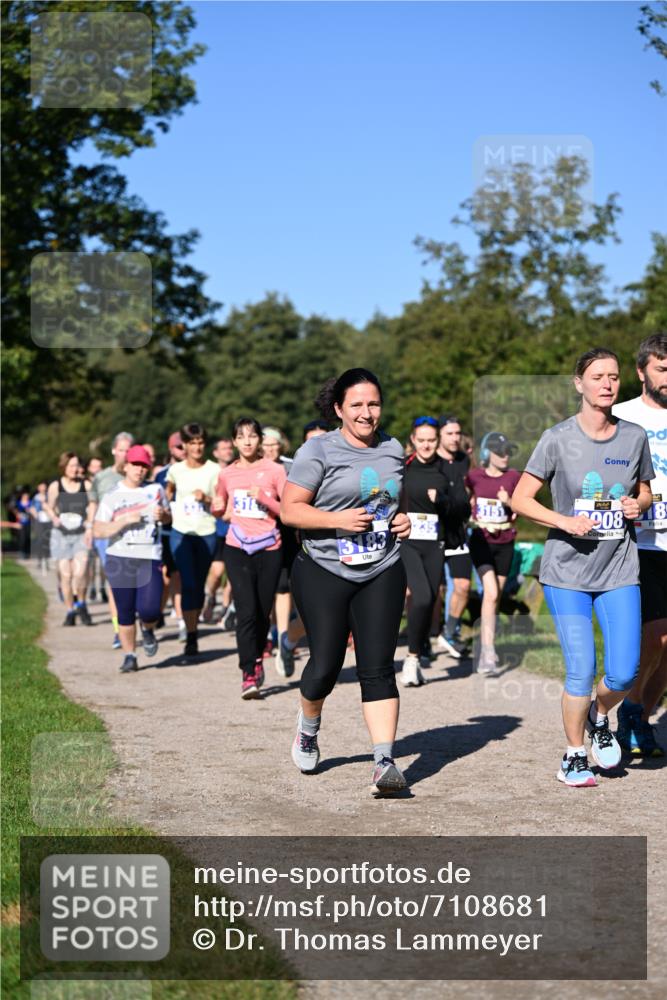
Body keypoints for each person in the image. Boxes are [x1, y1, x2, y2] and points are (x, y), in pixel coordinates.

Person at [512, 347, 654, 788]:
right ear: (579, 383)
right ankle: (574, 755)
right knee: (580, 668)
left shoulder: (634, 436)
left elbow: (645, 492)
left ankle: (599, 713)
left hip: (619, 569)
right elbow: (519, 499)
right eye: (597, 376)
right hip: (567, 573)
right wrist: (563, 521)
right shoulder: (556, 438)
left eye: (613, 377)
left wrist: (637, 504)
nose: (608, 384)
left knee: (624, 671)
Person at [281, 368, 412, 797]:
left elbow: (390, 500)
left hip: (382, 566)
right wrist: (337, 520)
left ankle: (384, 762)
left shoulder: (393, 447)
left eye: (373, 403)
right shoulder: (317, 450)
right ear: (338, 408)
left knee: (378, 666)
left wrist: (401, 520)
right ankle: (308, 726)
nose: (366, 412)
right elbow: (291, 511)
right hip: (323, 569)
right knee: (326, 665)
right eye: (356, 404)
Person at [613, 332, 667, 757]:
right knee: (656, 635)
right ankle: (631, 707)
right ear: (641, 371)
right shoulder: (620, 416)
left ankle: (639, 717)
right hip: (639, 543)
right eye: (662, 370)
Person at [212, 418, 287, 698]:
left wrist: (265, 499)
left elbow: (287, 510)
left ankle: (257, 656)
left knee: (261, 612)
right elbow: (219, 506)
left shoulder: (275, 471)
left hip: (269, 548)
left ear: (259, 440)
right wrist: (216, 508)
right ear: (233, 441)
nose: (247, 441)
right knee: (245, 610)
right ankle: (248, 672)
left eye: (252, 436)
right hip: (237, 546)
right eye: (241, 436)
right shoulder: (226, 474)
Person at [400, 417, 471, 686]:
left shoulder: (447, 470)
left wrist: (442, 500)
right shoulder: (403, 467)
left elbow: (464, 509)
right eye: (422, 440)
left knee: (429, 599)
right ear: (413, 441)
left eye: (431, 440)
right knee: (421, 596)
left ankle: (415, 656)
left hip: (436, 542)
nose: (427, 445)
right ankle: (410, 660)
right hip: (406, 540)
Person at [94, 445, 171, 673]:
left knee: (150, 610)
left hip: (149, 556)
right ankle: (130, 655)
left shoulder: (156, 490)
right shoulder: (112, 495)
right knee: (125, 610)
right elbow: (98, 530)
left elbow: (168, 519)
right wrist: (125, 520)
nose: (139, 470)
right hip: (120, 557)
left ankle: (148, 629)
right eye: (135, 465)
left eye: (144, 466)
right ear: (125, 466)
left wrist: (163, 515)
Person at [465, 432, 521, 674]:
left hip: (505, 542)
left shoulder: (514, 477)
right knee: (491, 592)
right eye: (500, 451)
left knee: (494, 598)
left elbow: (523, 505)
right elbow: (464, 499)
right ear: (488, 453)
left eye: (508, 450)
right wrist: (468, 511)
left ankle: (488, 642)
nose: (505, 455)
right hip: (481, 541)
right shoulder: (474, 476)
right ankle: (487, 652)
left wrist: (509, 502)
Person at [165, 422, 219, 660]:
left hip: (206, 532)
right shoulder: (175, 471)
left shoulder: (214, 469)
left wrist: (206, 498)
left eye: (200, 443)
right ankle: (191, 635)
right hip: (181, 532)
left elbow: (220, 503)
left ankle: (193, 628)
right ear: (184, 446)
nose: (197, 448)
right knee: (188, 583)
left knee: (198, 585)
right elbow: (167, 494)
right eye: (192, 443)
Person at [89, 432, 135, 646]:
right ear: (114, 451)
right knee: (114, 582)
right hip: (107, 537)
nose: (125, 454)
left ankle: (133, 622)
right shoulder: (102, 477)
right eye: (122, 449)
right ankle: (119, 629)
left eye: (129, 449)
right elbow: (93, 506)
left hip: (134, 537)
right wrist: (90, 530)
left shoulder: (138, 473)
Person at [436, 415, 473, 658]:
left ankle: (449, 633)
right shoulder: (430, 461)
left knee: (463, 586)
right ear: (440, 435)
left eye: (457, 433)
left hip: (458, 534)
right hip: (432, 535)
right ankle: (423, 640)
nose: (455, 437)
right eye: (450, 433)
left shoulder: (464, 460)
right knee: (429, 592)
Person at [44, 454, 95, 626]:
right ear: (64, 467)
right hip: (61, 535)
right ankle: (70, 611)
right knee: (66, 576)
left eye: (77, 465)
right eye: (71, 465)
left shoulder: (86, 485)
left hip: (81, 533)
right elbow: (48, 506)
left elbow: (93, 504)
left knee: (80, 573)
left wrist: (89, 524)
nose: (75, 469)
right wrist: (54, 518)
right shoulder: (55, 486)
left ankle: (81, 603)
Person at [154, 432, 185, 638]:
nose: (183, 450)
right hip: (166, 530)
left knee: (179, 576)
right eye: (179, 447)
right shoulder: (161, 474)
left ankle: (183, 620)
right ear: (171, 449)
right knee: (168, 577)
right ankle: (157, 613)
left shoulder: (197, 470)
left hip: (190, 529)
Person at [202, 436, 235, 626]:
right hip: (216, 528)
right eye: (223, 448)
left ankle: (225, 609)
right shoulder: (210, 472)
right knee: (216, 571)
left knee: (232, 572)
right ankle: (211, 596)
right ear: (215, 453)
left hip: (236, 527)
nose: (228, 451)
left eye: (230, 448)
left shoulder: (239, 468)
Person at [30, 481, 52, 573]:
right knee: (39, 539)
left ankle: (47, 558)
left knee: (47, 540)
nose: (43, 488)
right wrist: (35, 515)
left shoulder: (49, 497)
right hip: (39, 520)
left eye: (44, 486)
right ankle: (40, 559)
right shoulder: (35, 498)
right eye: (41, 486)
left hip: (48, 520)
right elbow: (32, 508)